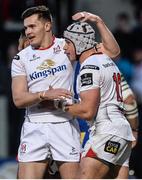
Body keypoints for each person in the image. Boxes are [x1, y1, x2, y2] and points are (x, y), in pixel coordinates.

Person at [11, 7, 120, 179]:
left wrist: (98, 21)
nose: (28, 31)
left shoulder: (67, 46)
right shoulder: (21, 58)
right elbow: (18, 99)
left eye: (32, 26)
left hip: (65, 124)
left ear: (47, 26)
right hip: (34, 126)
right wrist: (44, 94)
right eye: (26, 28)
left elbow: (113, 52)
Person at [63, 21, 135, 178]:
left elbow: (87, 111)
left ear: (79, 43)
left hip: (106, 132)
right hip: (122, 133)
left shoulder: (89, 67)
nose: (64, 47)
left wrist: (59, 105)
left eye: (68, 42)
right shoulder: (106, 60)